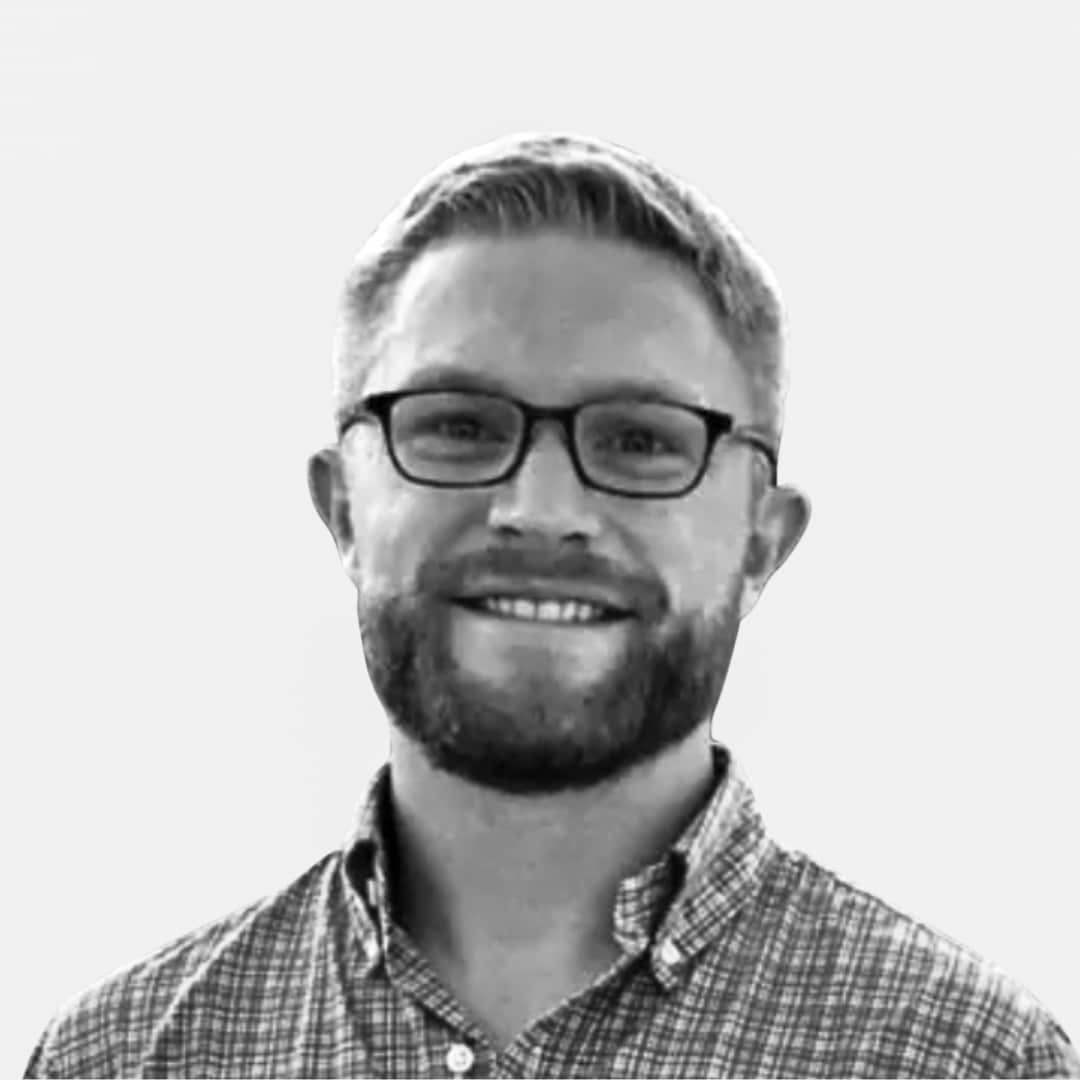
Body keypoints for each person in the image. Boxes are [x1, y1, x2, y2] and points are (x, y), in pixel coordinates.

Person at [25, 132, 1078, 1079]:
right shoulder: (121, 1057)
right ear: (343, 509)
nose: (539, 510)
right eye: (457, 425)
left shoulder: (974, 1061)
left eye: (640, 439)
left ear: (762, 542)